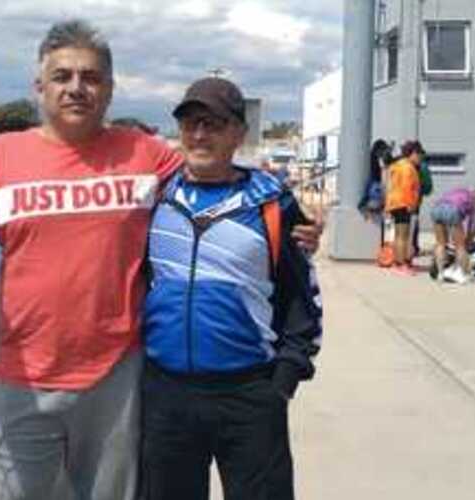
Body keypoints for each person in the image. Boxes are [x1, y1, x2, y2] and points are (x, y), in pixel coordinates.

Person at [0, 20, 324, 500]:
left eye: (91, 77)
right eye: (63, 76)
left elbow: (216, 165)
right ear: (40, 87)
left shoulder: (144, 153)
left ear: (110, 90)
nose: (77, 87)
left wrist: (294, 213)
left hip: (118, 377)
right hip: (22, 374)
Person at [140, 78, 323, 500]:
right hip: (167, 395)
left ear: (238, 133)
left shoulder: (273, 203)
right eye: (190, 124)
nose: (200, 135)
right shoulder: (153, 197)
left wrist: (284, 381)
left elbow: (303, 298)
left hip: (250, 395)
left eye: (214, 124)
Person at [430, 187, 475, 284]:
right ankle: (463, 275)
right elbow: (473, 228)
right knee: (460, 246)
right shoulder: (474, 202)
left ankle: (440, 274)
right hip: (452, 209)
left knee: (441, 244)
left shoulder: (461, 191)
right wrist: (468, 242)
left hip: (436, 208)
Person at [384, 140, 423, 275]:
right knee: (403, 235)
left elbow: (391, 186)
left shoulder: (397, 166)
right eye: (419, 155)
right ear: (412, 154)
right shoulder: (408, 167)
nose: (420, 158)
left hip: (395, 202)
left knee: (398, 235)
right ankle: (401, 264)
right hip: (403, 203)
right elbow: (407, 187)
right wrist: (411, 205)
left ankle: (397, 263)